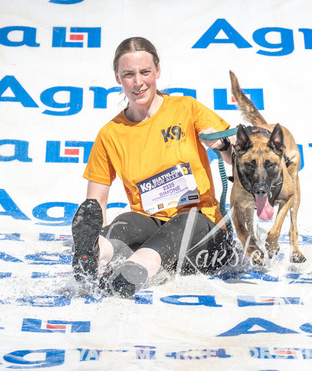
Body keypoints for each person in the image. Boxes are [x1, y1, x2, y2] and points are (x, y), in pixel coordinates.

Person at [71, 36, 234, 297]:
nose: (138, 82)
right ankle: (96, 253)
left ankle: (134, 270)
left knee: (184, 222)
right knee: (126, 221)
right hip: (151, 224)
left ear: (157, 70)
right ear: (117, 78)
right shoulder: (110, 134)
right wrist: (97, 233)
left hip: (203, 233)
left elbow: (238, 157)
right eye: (129, 74)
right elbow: (96, 203)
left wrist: (224, 145)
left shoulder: (186, 108)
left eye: (145, 72)